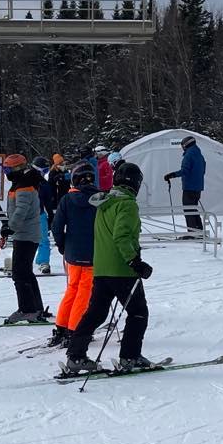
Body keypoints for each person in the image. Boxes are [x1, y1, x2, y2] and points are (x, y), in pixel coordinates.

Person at [62, 160, 153, 375]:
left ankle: (76, 356)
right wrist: (134, 261)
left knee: (96, 313)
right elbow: (121, 235)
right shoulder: (127, 203)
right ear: (136, 183)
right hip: (121, 269)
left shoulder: (104, 201)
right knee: (138, 312)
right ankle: (129, 356)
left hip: (101, 269)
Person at [49, 162, 98, 348]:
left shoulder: (67, 200)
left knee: (72, 289)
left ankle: (62, 326)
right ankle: (74, 329)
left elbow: (56, 226)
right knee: (84, 292)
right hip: (93, 252)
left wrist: (62, 246)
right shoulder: (100, 199)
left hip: (73, 252)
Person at [1, 155, 48, 323]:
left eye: (7, 170)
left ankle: (27, 309)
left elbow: (22, 210)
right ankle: (36, 308)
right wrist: (8, 224)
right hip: (24, 234)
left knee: (19, 273)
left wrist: (11, 227)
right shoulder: (21, 183)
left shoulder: (25, 185)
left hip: (26, 234)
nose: (6, 173)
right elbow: (16, 210)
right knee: (25, 272)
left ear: (17, 169)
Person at [164, 134, 207, 235]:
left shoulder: (189, 155)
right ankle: (199, 230)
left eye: (182, 146)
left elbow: (185, 171)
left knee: (188, 210)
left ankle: (192, 233)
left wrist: (172, 175)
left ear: (186, 145)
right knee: (194, 209)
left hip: (189, 187)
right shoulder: (199, 155)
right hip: (198, 187)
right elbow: (203, 170)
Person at [32, 156, 55, 275]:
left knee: (43, 239)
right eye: (44, 170)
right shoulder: (25, 180)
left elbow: (48, 201)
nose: (45, 173)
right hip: (26, 216)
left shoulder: (44, 184)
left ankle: (43, 261)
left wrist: (51, 215)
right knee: (24, 239)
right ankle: (20, 260)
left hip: (40, 214)